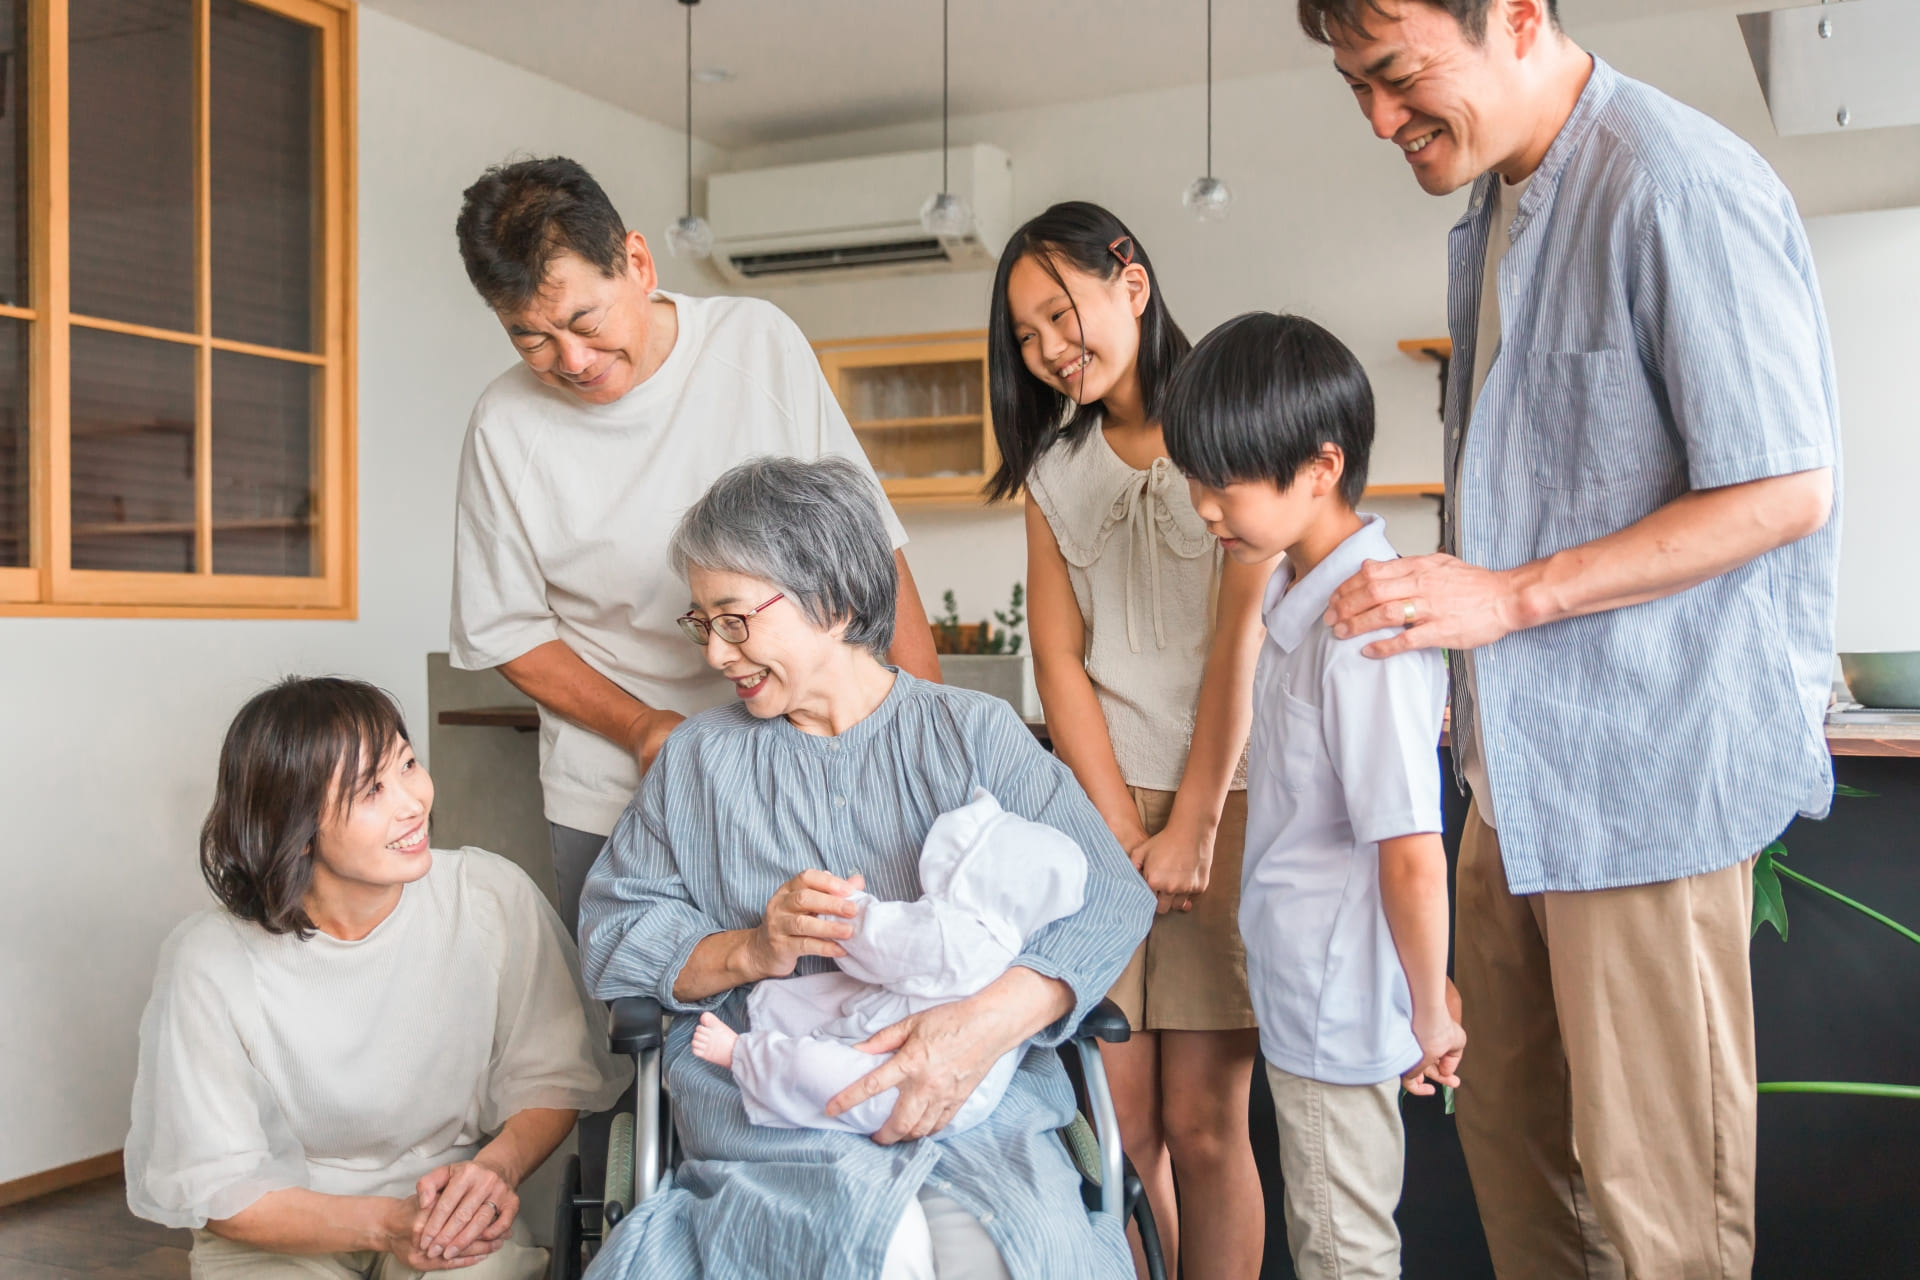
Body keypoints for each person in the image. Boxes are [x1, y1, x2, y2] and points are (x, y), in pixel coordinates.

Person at [1299, 2, 1842, 1275]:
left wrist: (1510, 596)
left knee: (1664, 1231)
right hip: (1512, 793)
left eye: (1396, 75)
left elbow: (1784, 487)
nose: (1379, 118)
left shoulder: (1674, 183)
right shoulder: (1490, 213)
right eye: (1353, 88)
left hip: (1646, 795)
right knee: (1526, 1200)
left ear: (1521, 18)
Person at [578, 456, 1154, 1279]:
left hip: (974, 1099)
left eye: (734, 619)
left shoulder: (973, 734)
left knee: (1011, 1249)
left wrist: (981, 1026)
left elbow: (1107, 896)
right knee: (855, 1249)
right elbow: (614, 929)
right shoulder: (700, 761)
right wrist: (752, 950)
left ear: (836, 602)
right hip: (776, 1111)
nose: (715, 653)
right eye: (701, 622)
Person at [449, 155, 940, 939]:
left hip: (803, 769)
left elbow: (869, 544)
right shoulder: (504, 424)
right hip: (618, 784)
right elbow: (505, 629)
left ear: (637, 263)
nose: (569, 361)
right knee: (648, 1021)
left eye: (583, 322)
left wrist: (925, 722)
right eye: (529, 339)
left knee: (827, 1001)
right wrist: (646, 729)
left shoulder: (756, 343)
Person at [125, 677, 630, 1279]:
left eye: (408, 764)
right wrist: (387, 1224)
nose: (413, 801)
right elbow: (218, 1189)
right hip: (283, 1222)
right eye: (371, 791)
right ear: (295, 823)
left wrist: (493, 1172)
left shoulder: (486, 899)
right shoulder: (209, 960)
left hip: (444, 1213)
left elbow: (552, 1075)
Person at [986, 201, 1266, 1279]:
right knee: (1124, 1120)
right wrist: (1110, 827)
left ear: (1131, 284)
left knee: (1206, 1124)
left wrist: (1193, 822)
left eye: (1064, 313)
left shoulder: (1229, 429)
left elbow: (1240, 639)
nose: (1054, 349)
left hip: (1227, 803)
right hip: (1100, 810)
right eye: (1028, 335)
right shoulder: (1056, 471)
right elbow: (1059, 662)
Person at [1162, 312, 1465, 1280]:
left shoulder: (1362, 629)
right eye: (1196, 480)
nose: (1206, 507)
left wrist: (1430, 1008)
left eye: (1226, 483)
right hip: (1312, 993)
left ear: (1321, 468)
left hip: (1339, 1010)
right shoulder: (1303, 601)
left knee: (1342, 1252)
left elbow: (1410, 846)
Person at [690, 786, 1089, 1137]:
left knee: (824, 1073)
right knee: (842, 1011)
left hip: (900, 1074)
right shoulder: (1013, 943)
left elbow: (877, 941)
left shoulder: (953, 930)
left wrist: (838, 905)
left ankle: (745, 1054)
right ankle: (768, 1024)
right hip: (971, 1099)